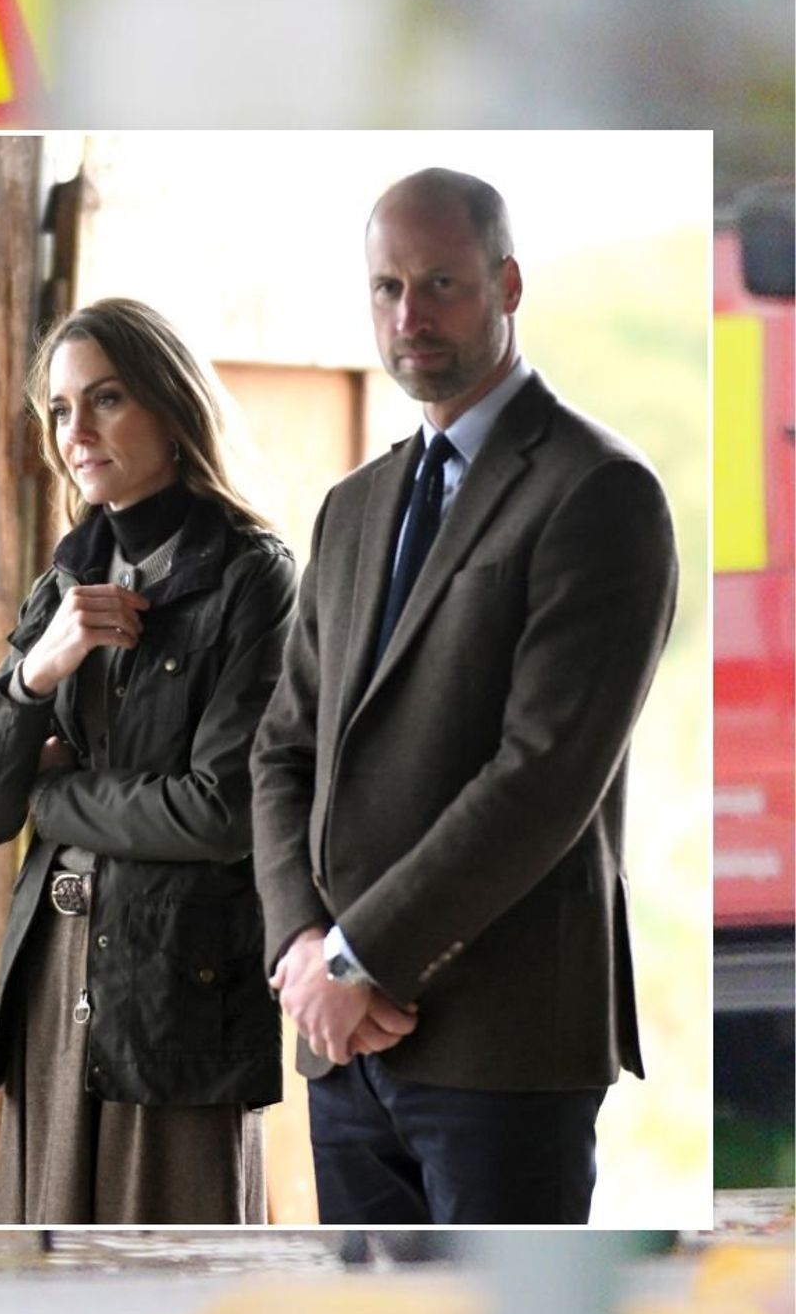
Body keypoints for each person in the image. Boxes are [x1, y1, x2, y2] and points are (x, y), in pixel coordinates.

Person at [250, 168, 678, 1224]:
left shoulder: (596, 491)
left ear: (507, 284)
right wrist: (303, 950)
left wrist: (360, 958)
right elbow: (280, 753)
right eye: (386, 288)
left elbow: (543, 777)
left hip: (504, 1044)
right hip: (340, 1047)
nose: (409, 316)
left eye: (439, 283)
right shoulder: (350, 508)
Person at [0, 297, 295, 1224]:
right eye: (61, 409)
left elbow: (222, 811)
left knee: (182, 1271)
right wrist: (37, 672)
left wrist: (54, 799)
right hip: (51, 980)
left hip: (177, 990)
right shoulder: (63, 582)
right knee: (49, 1283)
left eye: (105, 400)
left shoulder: (251, 579)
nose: (77, 432)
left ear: (170, 407)